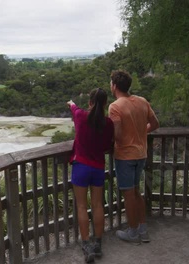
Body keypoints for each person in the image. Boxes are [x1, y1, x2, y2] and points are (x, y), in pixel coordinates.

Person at [108, 70, 159, 243]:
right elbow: (155, 123)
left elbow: (117, 134)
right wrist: (140, 133)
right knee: (137, 192)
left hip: (125, 156)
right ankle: (143, 231)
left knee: (129, 195)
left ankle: (132, 232)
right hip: (141, 154)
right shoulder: (142, 101)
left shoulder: (115, 106)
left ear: (114, 86)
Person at [67, 88, 114, 263]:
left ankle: (86, 244)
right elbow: (108, 145)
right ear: (105, 104)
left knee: (81, 206)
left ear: (90, 102)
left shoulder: (81, 117)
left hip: (81, 166)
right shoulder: (108, 123)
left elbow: (74, 108)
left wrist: (71, 103)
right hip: (98, 167)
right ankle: (98, 242)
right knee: (97, 205)